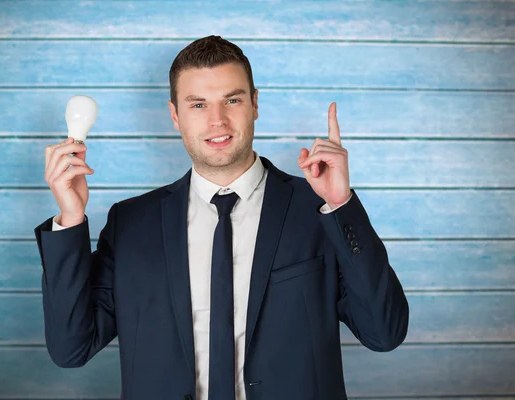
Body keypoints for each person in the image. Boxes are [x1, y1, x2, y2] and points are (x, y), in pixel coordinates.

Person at [34, 35, 409, 400]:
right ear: (175, 115)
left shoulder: (318, 210)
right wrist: (70, 219)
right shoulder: (130, 224)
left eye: (232, 99)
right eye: (198, 105)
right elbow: (71, 348)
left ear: (255, 104)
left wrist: (341, 206)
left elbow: (384, 332)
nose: (218, 121)